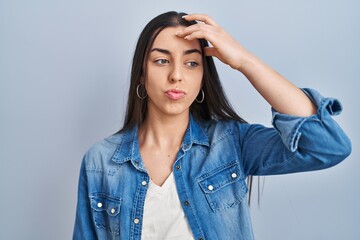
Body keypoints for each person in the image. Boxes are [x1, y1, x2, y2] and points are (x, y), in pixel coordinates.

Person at [73, 11, 351, 240]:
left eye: (192, 63)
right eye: (161, 61)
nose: (176, 75)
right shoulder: (101, 162)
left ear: (203, 77)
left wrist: (244, 61)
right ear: (142, 75)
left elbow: (328, 146)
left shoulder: (231, 143)